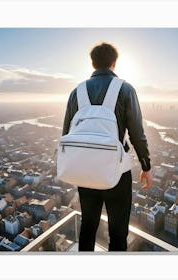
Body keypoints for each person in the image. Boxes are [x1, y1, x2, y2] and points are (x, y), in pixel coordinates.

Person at [62, 42, 152, 251]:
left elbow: (67, 134)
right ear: (114, 63)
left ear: (92, 63)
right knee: (118, 232)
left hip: (85, 172)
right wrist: (146, 166)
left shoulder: (77, 92)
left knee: (88, 226)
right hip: (117, 174)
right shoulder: (125, 89)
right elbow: (137, 134)